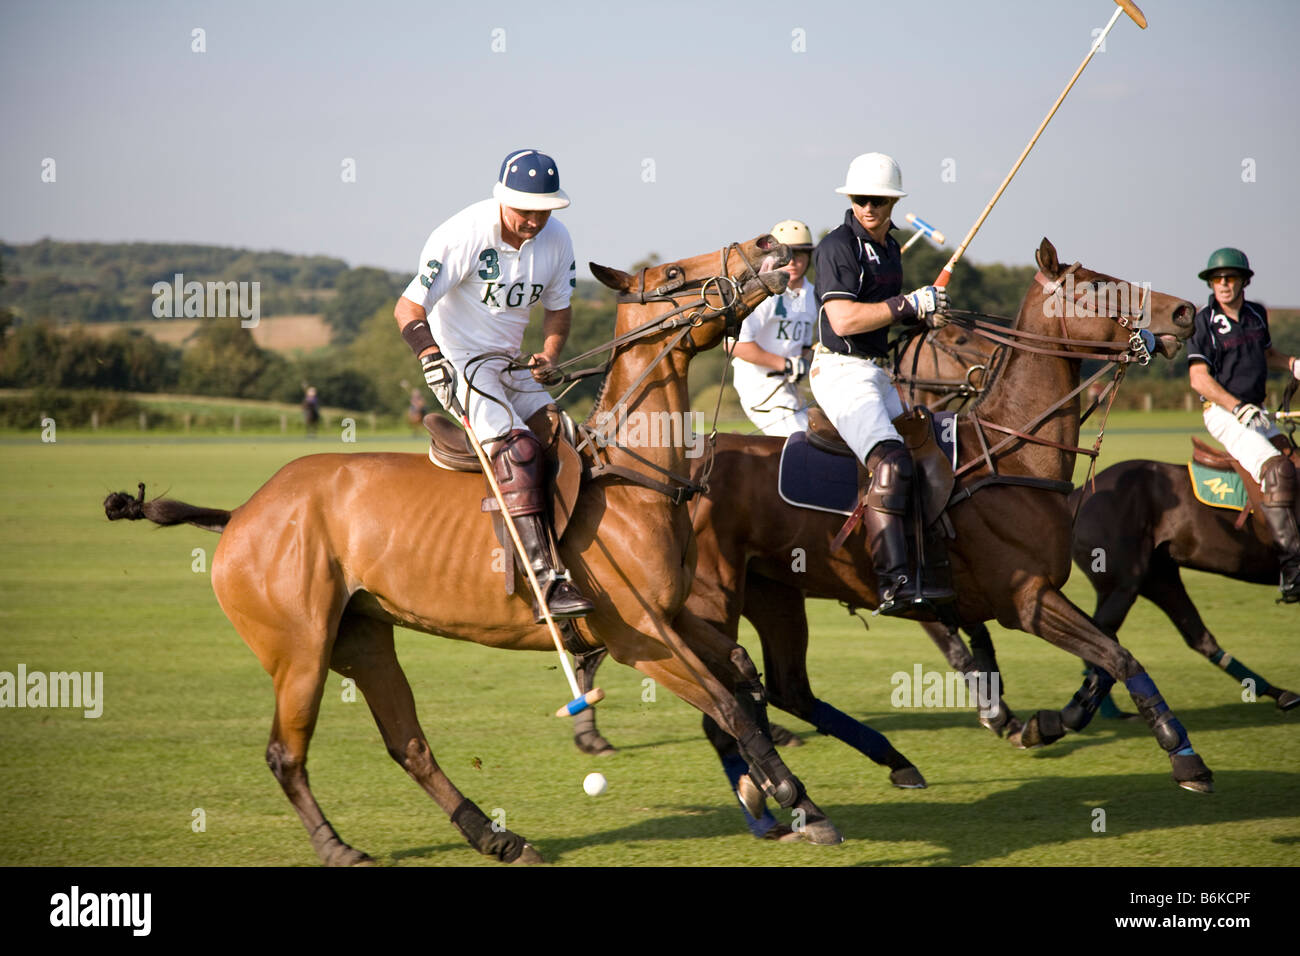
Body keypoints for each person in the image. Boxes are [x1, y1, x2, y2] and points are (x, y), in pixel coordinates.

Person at [393, 148, 593, 619]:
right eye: (525, 211)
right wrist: (429, 356)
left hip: (512, 364)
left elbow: (558, 309)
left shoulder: (556, 239)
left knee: (570, 441)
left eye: (544, 211)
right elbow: (407, 309)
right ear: (502, 199)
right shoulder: (462, 235)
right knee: (518, 449)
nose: (534, 221)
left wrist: (548, 355)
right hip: (458, 361)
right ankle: (546, 580)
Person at [809, 152, 953, 615]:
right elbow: (845, 319)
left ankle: (929, 564)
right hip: (839, 371)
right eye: (860, 199)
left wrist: (927, 316)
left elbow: (885, 318)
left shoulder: (890, 248)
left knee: (929, 451)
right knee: (890, 463)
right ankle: (893, 582)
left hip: (876, 371)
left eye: (878, 200)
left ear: (893, 203)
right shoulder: (836, 247)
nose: (868, 207)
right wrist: (909, 305)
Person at [1186, 247, 1300, 602]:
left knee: (1297, 464)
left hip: (1258, 411)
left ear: (1243, 281)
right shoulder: (1203, 322)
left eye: (1230, 278)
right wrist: (1236, 408)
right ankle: (1292, 566)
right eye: (1217, 278)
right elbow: (1199, 379)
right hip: (1223, 414)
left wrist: (1294, 363)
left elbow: (1267, 356)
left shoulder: (1256, 314)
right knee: (1277, 470)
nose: (1223, 284)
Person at [730, 219, 816, 435]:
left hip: (791, 389)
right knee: (798, 440)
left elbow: (804, 346)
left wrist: (810, 359)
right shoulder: (762, 294)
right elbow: (734, 344)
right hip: (760, 386)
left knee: (828, 438)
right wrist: (785, 364)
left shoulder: (813, 295)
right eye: (786, 255)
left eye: (800, 255)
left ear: (809, 257)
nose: (793, 262)